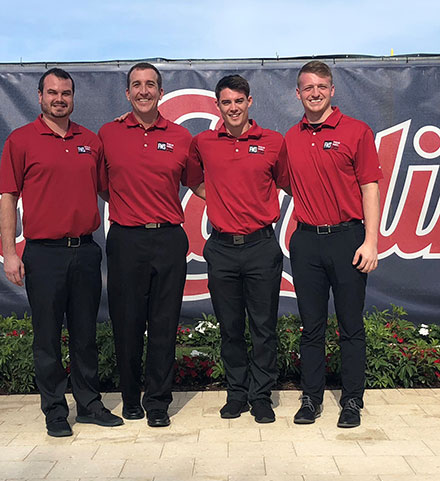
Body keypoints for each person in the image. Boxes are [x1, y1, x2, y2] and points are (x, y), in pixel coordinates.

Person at [0, 68, 123, 437]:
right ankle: (55, 409)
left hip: (85, 251)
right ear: (39, 96)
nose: (59, 99)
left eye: (66, 93)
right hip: (44, 254)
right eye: (52, 92)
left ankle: (88, 404)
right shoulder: (21, 140)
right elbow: (8, 197)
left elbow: (109, 189)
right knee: (47, 336)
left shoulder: (91, 140)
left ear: (73, 97)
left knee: (85, 333)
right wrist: (10, 251)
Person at [285, 61, 382, 428]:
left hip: (348, 239)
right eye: (307, 87)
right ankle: (311, 398)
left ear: (332, 90)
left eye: (321, 86)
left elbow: (369, 187)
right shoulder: (290, 138)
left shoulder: (356, 131)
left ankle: (352, 401)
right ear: (297, 93)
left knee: (350, 325)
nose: (314, 93)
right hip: (306, 241)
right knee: (311, 327)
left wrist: (371, 241)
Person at [186, 75, 289, 424]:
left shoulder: (273, 142)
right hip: (222, 247)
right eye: (226, 102)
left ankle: (261, 396)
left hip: (261, 245)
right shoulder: (203, 142)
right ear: (218, 106)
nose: (233, 107)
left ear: (250, 102)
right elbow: (191, 179)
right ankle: (237, 393)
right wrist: (217, 198)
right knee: (230, 326)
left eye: (238, 101)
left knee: (263, 326)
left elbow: (287, 180)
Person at [98, 62, 191, 428]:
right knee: (127, 323)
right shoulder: (108, 133)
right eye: (136, 84)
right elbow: (102, 185)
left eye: (150, 84)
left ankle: (158, 402)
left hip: (169, 238)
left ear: (160, 91)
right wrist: (128, 206)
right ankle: (130, 398)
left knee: (164, 325)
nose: (143, 90)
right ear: (127, 93)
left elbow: (197, 183)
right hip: (126, 238)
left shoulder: (181, 136)